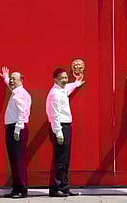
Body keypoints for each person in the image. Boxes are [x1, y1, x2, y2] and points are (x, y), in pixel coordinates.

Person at [45, 67, 84, 197]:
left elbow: (68, 88)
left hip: (66, 126)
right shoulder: (55, 94)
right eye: (62, 78)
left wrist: (76, 83)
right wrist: (59, 133)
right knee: (60, 160)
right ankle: (55, 189)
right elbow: (54, 115)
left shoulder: (62, 90)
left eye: (66, 77)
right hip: (60, 127)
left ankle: (64, 187)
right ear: (55, 79)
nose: (65, 80)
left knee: (65, 159)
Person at [0, 67, 32, 199]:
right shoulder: (16, 92)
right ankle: (16, 188)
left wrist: (17, 129)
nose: (11, 81)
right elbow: (11, 86)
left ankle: (22, 190)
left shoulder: (20, 94)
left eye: (14, 79)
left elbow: (22, 112)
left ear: (21, 80)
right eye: (11, 79)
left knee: (18, 161)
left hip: (17, 129)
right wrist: (6, 78)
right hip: (13, 128)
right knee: (14, 160)